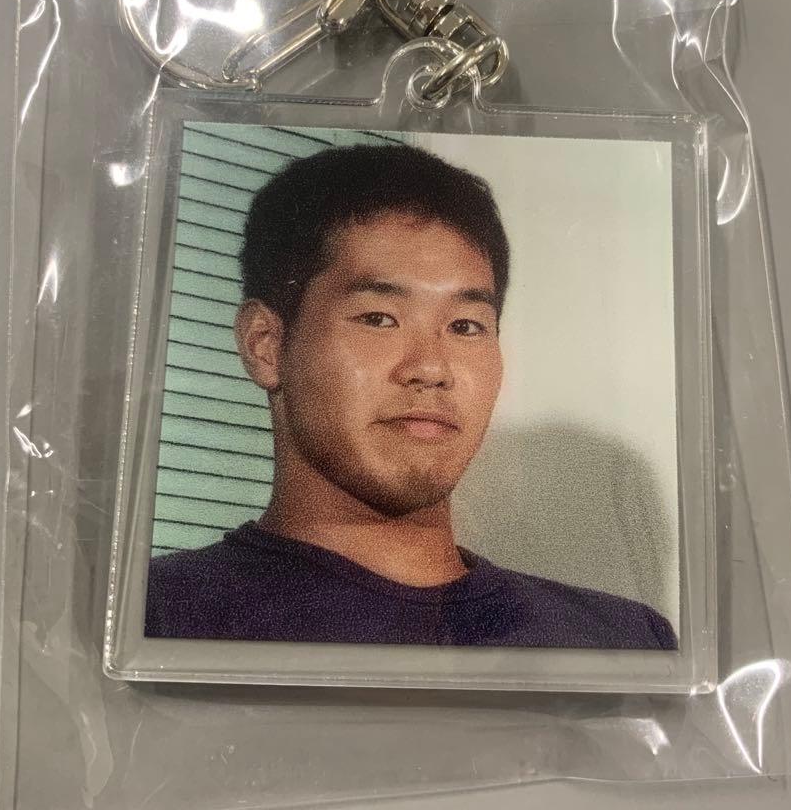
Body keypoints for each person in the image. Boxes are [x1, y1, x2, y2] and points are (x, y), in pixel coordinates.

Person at [146, 142, 676, 649]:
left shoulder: (623, 641)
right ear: (266, 345)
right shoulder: (154, 618)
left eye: (466, 326)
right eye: (379, 318)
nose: (430, 368)